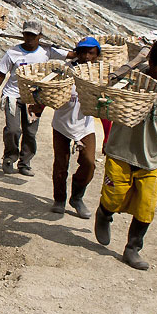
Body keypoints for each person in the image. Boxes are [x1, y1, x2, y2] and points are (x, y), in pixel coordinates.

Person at [93, 39, 157, 270]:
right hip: (120, 150)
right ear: (151, 64)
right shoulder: (131, 79)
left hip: (150, 156)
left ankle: (132, 248)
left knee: (147, 206)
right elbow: (105, 93)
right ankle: (104, 214)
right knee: (114, 195)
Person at [0, 21, 64, 175]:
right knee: (13, 129)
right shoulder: (13, 52)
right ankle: (9, 157)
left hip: (34, 99)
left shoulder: (46, 52)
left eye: (33, 35)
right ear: (23, 34)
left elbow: (71, 55)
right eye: (27, 34)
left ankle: (25, 163)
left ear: (39, 36)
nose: (29, 38)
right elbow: (1, 74)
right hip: (12, 96)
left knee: (30, 132)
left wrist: (83, 50)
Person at [50, 37, 101, 217]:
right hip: (62, 123)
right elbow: (49, 90)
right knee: (61, 164)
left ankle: (77, 197)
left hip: (85, 126)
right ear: (77, 53)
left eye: (91, 53)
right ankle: (59, 199)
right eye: (83, 52)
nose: (87, 56)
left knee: (89, 162)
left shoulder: (98, 75)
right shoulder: (64, 71)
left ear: (96, 56)